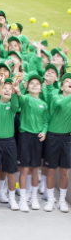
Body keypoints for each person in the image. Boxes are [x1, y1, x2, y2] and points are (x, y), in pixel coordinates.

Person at [16, 73, 49, 212]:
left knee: (35, 169)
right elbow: (19, 97)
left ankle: (34, 197)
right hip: (25, 136)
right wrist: (18, 89)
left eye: (37, 84)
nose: (35, 85)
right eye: (32, 83)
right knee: (24, 168)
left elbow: (46, 121)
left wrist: (44, 131)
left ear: (41, 88)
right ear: (28, 87)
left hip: (37, 138)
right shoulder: (26, 99)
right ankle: (23, 199)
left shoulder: (44, 104)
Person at [0, 78, 21, 213]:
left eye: (9, 89)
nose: (7, 90)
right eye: (4, 88)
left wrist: (14, 90)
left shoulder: (12, 107)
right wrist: (0, 86)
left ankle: (12, 198)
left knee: (11, 173)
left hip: (10, 142)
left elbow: (15, 105)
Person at [43, 72, 71, 212]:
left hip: (67, 138)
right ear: (61, 86)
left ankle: (62, 201)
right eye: (67, 81)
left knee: (65, 171)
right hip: (53, 136)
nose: (70, 83)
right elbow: (59, 104)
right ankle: (50, 199)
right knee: (51, 170)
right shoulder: (55, 96)